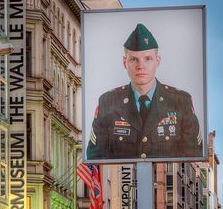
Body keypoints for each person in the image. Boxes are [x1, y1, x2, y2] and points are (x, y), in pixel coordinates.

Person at [86, 23, 203, 160]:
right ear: (125, 63)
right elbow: (95, 158)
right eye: (134, 59)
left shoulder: (180, 101)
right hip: (124, 181)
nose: (140, 66)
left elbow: (193, 155)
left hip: (166, 182)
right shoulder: (108, 102)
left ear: (157, 61)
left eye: (148, 59)